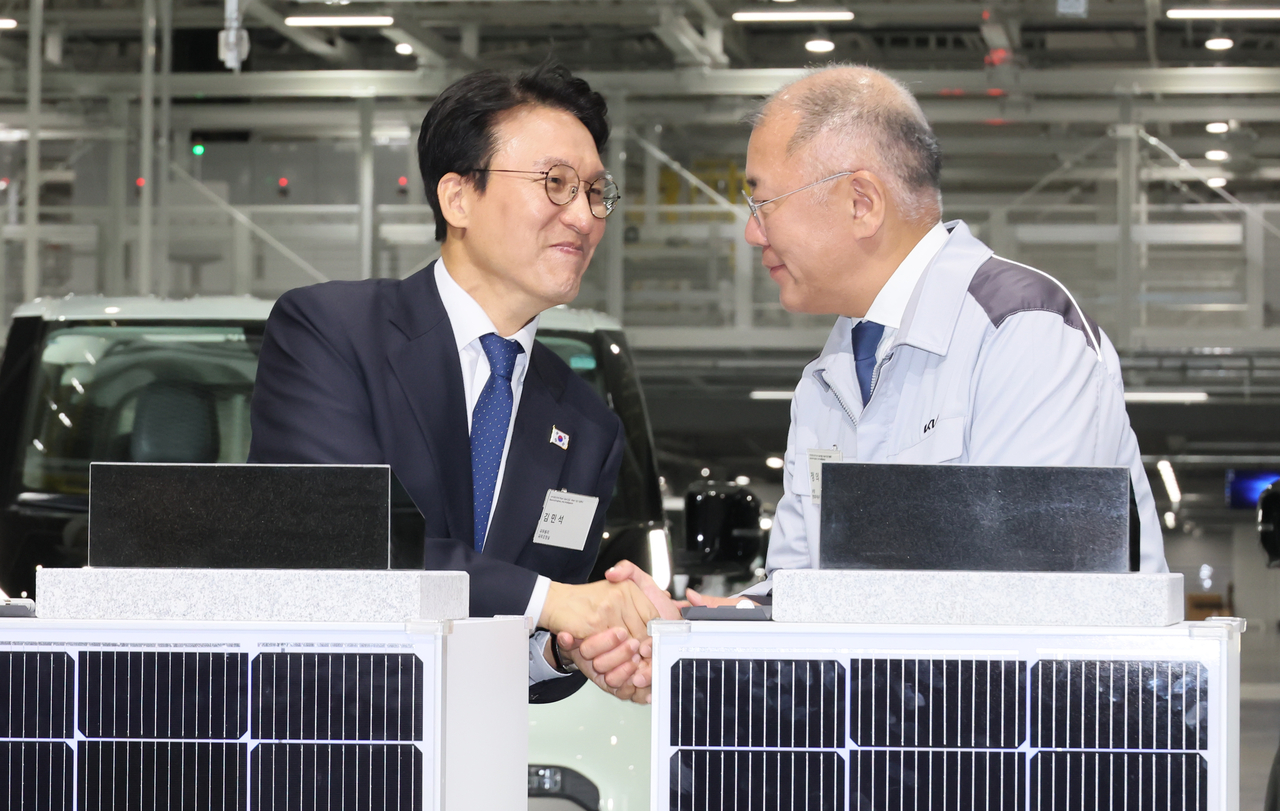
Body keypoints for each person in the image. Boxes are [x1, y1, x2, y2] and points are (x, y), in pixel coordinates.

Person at [611, 64, 1167, 623]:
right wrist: (715, 621)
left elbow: (1031, 595)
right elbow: (803, 582)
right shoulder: (827, 381)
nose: (753, 232)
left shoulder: (1024, 333)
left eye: (764, 203)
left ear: (861, 202)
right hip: (897, 704)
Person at [249, 62, 672, 704]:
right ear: (458, 198)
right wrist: (556, 603)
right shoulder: (332, 332)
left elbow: (538, 638)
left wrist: (565, 650)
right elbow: (331, 544)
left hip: (476, 762)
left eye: (595, 192)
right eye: (556, 183)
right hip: (315, 736)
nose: (584, 217)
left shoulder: (589, 428)